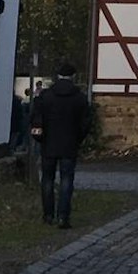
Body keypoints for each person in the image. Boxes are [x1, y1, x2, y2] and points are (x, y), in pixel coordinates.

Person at [28, 63, 93, 228]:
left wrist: (41, 139)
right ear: (73, 76)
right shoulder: (79, 97)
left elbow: (35, 119)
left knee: (47, 180)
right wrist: (77, 138)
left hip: (48, 144)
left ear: (57, 76)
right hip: (69, 144)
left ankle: (48, 215)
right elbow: (86, 123)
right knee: (66, 180)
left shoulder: (46, 96)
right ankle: (63, 217)